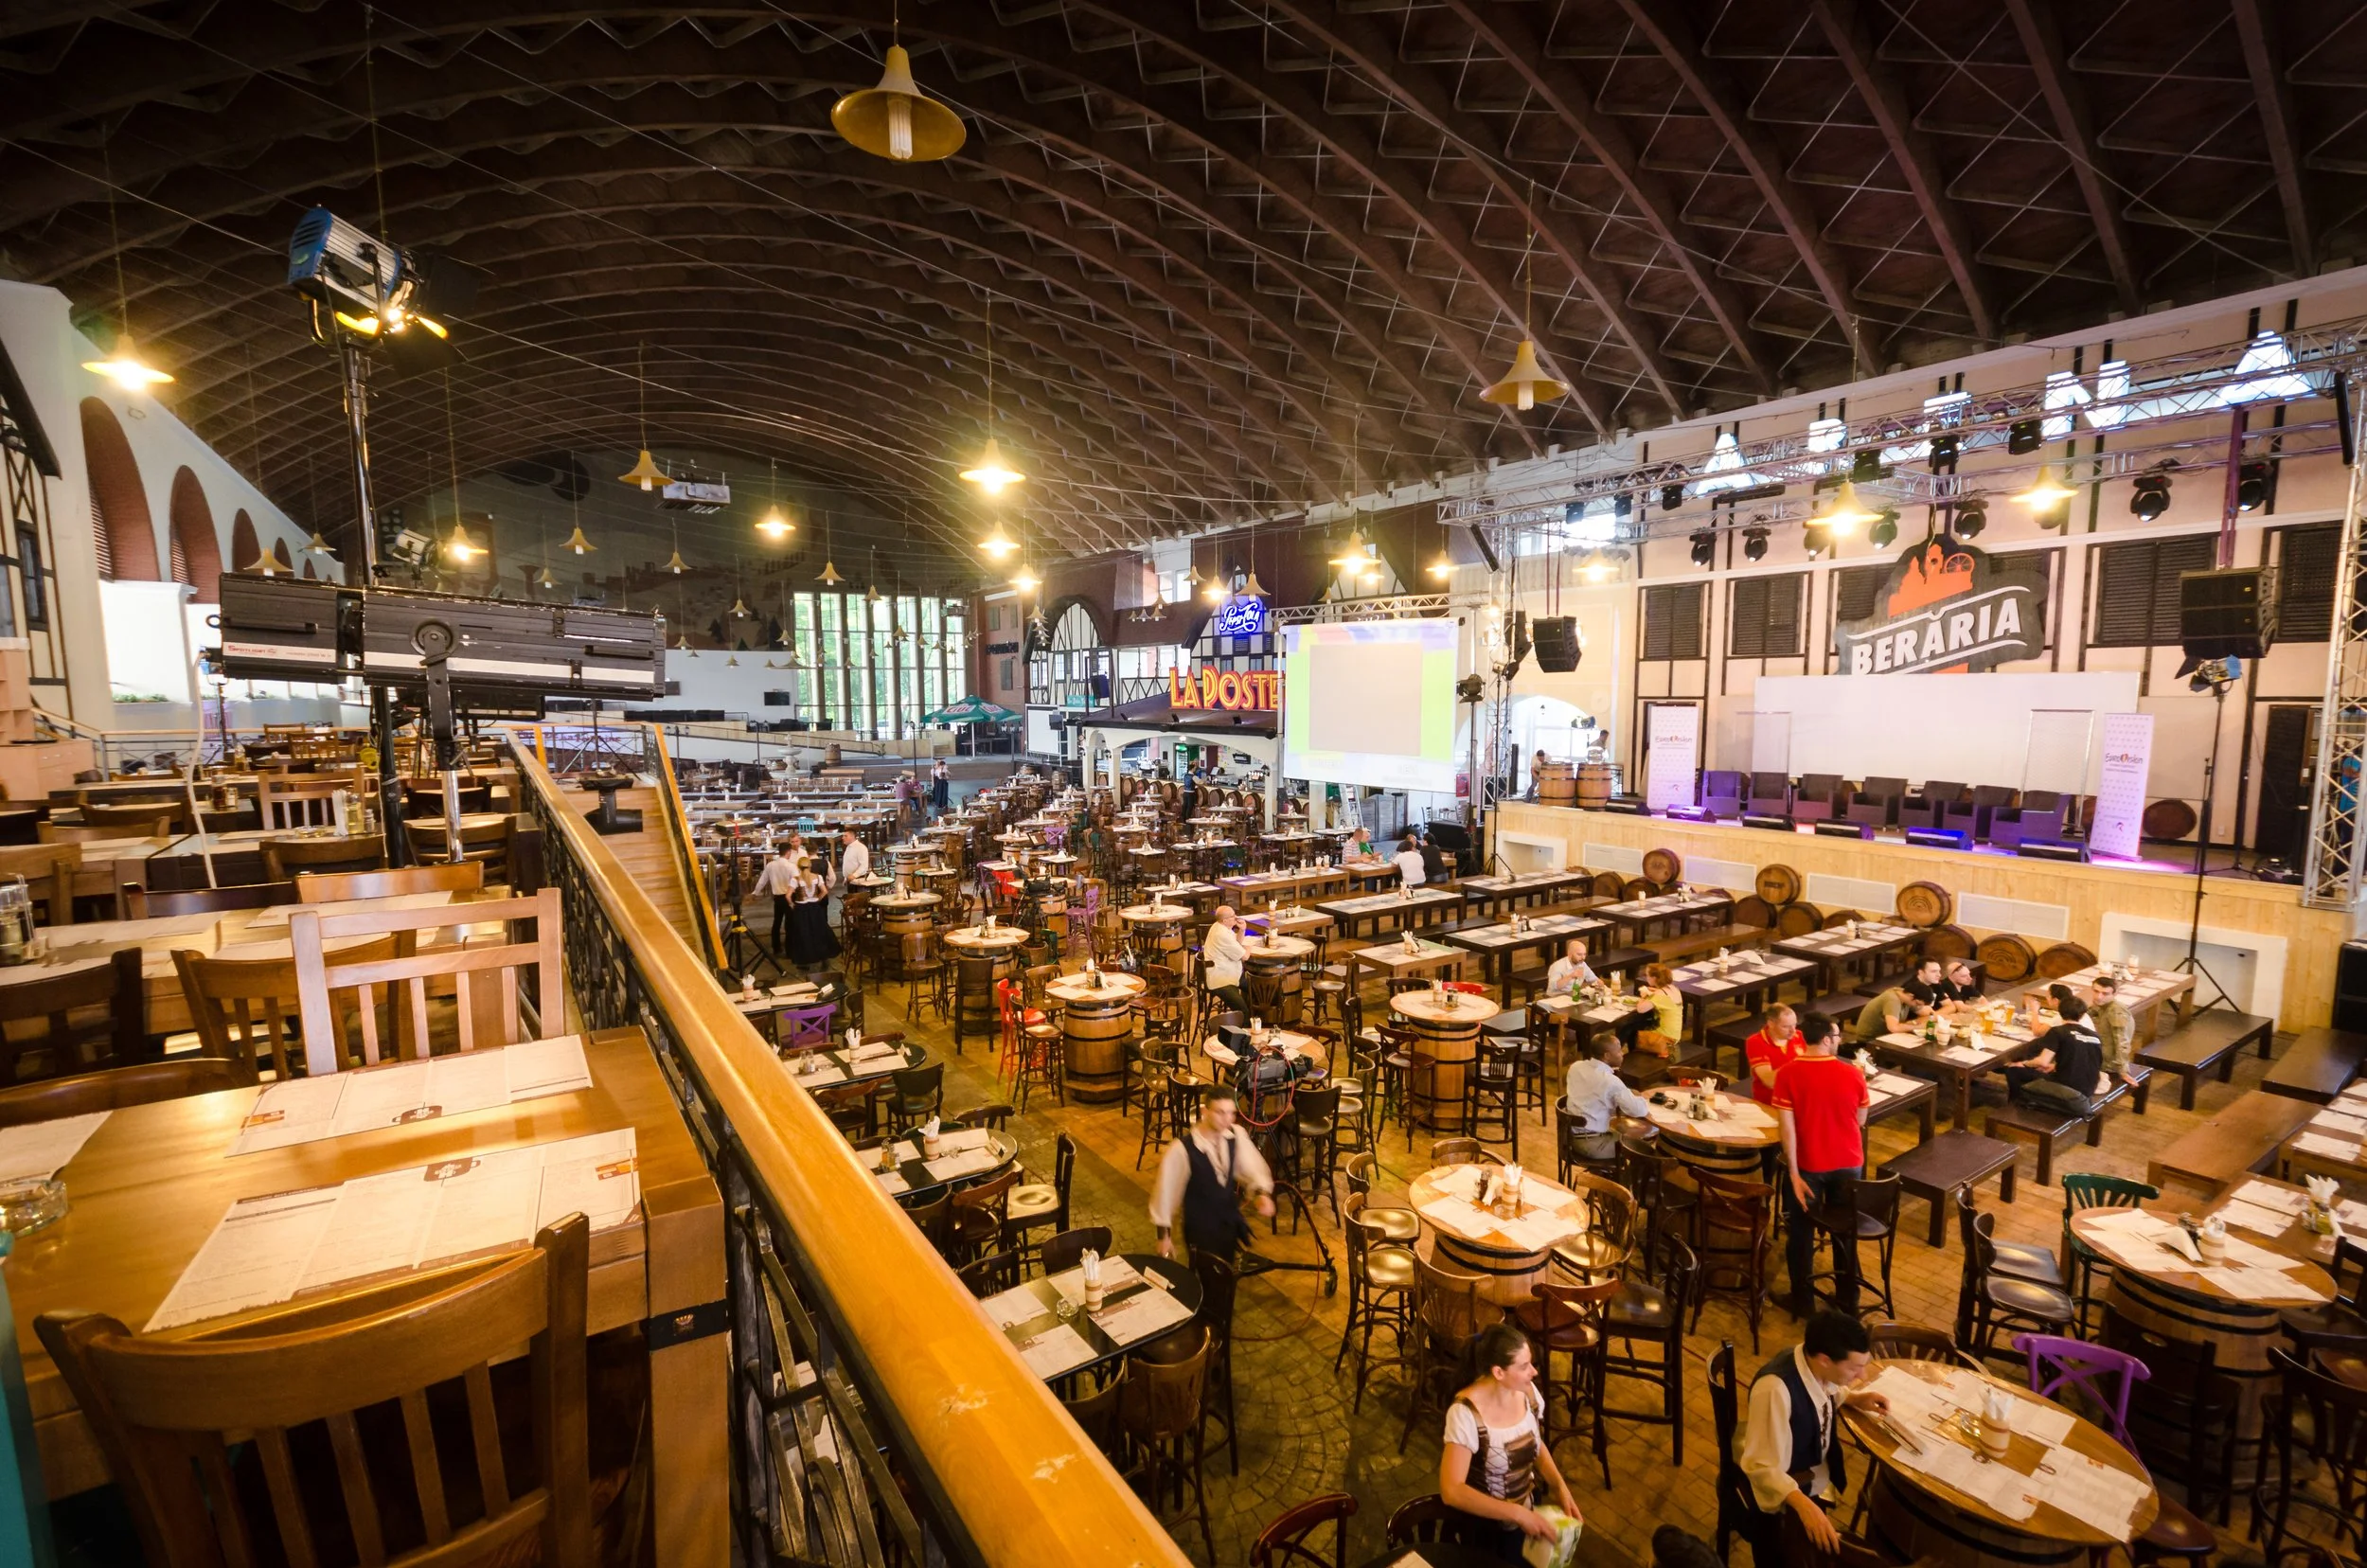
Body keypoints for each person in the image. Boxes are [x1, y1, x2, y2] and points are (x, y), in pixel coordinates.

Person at [1736, 1310, 1890, 1558]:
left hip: (1811, 1473)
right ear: (1825, 1360)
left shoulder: (1810, 1360)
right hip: (1784, 1496)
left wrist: (1855, 1398)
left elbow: (1826, 1389)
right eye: (1855, 1368)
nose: (1861, 1376)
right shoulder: (1775, 1391)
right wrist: (1804, 1505)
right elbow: (1761, 1466)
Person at [1439, 1323, 1580, 1561]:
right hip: (1484, 1529)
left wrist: (1559, 1486)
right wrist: (1517, 1513)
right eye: (1524, 1366)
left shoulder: (1528, 1393)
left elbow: (1535, 1444)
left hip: (1525, 1514)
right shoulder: (1465, 1413)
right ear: (1498, 1372)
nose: (1534, 1372)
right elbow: (1452, 1490)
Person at [1772, 1015, 1869, 1313]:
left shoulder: (1788, 1073)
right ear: (1826, 1039)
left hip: (1810, 1166)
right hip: (1850, 1162)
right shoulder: (1853, 1073)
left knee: (1800, 1234)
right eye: (1837, 1035)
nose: (1839, 1040)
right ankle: (1847, 1298)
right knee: (1844, 1233)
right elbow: (1862, 1119)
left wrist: (1793, 1172)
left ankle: (1802, 1301)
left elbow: (1786, 1129)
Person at [1149, 1087, 1274, 1262]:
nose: (1227, 1119)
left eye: (1231, 1113)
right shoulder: (1182, 1149)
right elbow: (1166, 1194)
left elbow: (1252, 1167)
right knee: (1207, 1281)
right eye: (1220, 1112)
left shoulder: (1235, 1135)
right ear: (1204, 1111)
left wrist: (1261, 1194)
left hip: (1228, 1225)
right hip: (1200, 1231)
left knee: (1227, 1278)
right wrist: (1164, 1237)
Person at [2005, 993, 2104, 1115]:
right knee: (2041, 1071)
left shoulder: (2058, 1032)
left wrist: (2023, 1063)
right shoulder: (2095, 1036)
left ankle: (2016, 1107)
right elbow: (2085, 1061)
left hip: (2068, 1091)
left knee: (2014, 1070)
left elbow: (2042, 1061)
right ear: (2082, 1014)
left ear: (2060, 1012)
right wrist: (2056, 1067)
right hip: (2088, 1089)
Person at [1564, 1032, 1650, 1165]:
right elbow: (1639, 1111)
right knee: (1643, 1148)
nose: (1622, 1053)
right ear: (1607, 1056)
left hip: (1569, 1137)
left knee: (1623, 1132)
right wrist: (1640, 1097)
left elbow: (1595, 1092)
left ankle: (1603, 1179)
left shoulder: (1576, 1067)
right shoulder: (1610, 1081)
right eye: (1619, 1050)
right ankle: (1623, 1183)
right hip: (1592, 1144)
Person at [1615, 963, 1682, 1057]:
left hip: (1665, 1039)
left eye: (1647, 975)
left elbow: (1640, 1009)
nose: (1646, 978)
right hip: (1674, 1035)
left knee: (1628, 1027)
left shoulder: (1659, 994)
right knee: (1632, 1025)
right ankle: (1624, 1053)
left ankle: (1620, 1054)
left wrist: (1644, 995)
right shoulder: (1674, 989)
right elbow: (1661, 995)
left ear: (1654, 978)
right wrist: (1650, 990)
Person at [785, 855, 839, 967]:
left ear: (798, 866)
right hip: (815, 908)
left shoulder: (795, 879)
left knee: (803, 934)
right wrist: (817, 899)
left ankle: (804, 961)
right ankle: (823, 957)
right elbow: (824, 891)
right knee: (819, 932)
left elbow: (788, 896)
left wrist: (791, 905)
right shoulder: (818, 877)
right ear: (810, 866)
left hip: (801, 909)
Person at [2088, 974, 2138, 1086]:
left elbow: (2122, 1042)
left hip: (2108, 1065)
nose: (2099, 996)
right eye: (2096, 991)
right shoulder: (2100, 1005)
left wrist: (2123, 1071)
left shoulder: (2116, 1011)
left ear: (2114, 994)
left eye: (2105, 993)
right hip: (2099, 1055)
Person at [1850, 982, 1929, 1053]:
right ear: (1911, 996)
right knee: (1915, 1051)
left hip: (1886, 1035)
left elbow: (1927, 1013)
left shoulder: (1904, 995)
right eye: (1917, 1003)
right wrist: (1918, 1026)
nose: (1918, 1006)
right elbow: (1894, 1028)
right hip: (1870, 1040)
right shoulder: (1892, 1000)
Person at [1744, 1005, 1800, 1105]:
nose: (1793, 1031)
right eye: (1786, 1027)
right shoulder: (1756, 1042)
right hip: (1771, 1102)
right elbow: (1769, 1081)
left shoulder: (1799, 1036)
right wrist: (1799, 1063)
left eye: (1794, 1025)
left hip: (1799, 1098)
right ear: (1771, 1024)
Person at [752, 844, 800, 955]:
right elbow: (797, 881)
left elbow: (762, 881)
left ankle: (776, 948)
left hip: (777, 898)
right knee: (790, 924)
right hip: (789, 897)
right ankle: (790, 950)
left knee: (776, 922)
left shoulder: (770, 865)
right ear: (788, 852)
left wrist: (755, 893)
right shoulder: (791, 866)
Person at [1201, 905, 1249, 1012]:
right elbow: (1245, 957)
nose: (1236, 917)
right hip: (1221, 980)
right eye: (1233, 916)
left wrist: (1242, 930)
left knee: (1256, 988)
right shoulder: (1221, 934)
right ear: (1225, 920)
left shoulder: (1219, 926)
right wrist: (1249, 948)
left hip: (1231, 972)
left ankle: (1257, 1020)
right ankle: (1246, 1025)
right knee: (1243, 1012)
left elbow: (1237, 943)